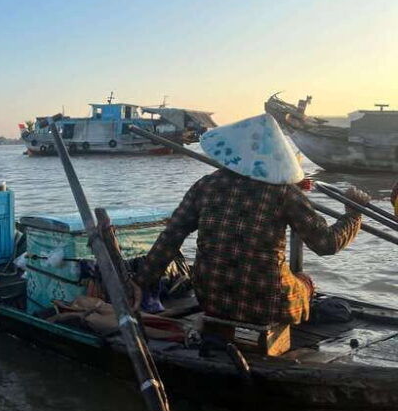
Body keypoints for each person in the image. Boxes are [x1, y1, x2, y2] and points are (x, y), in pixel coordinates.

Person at [137, 113, 370, 325]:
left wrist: (143, 281)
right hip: (270, 306)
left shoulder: (206, 185)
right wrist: (353, 212)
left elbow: (170, 238)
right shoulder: (284, 193)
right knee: (306, 282)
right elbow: (326, 244)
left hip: (211, 298)